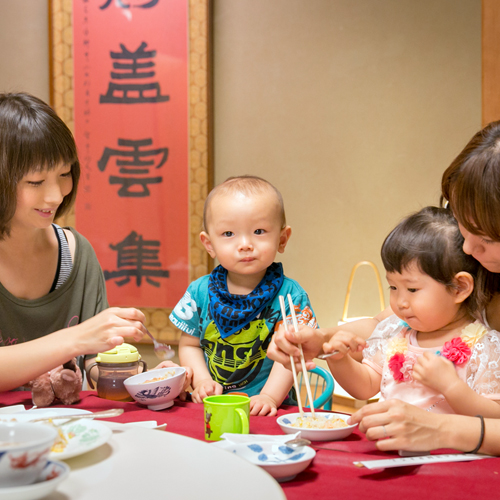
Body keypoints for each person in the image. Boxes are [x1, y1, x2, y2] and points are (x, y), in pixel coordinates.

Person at [0, 92, 146, 389]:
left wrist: (137, 377)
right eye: (35, 182)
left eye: (65, 174)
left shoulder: (76, 254)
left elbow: (93, 360)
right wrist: (75, 339)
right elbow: (80, 341)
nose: (55, 196)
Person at [322, 206, 500, 416]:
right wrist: (339, 360)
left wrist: (452, 387)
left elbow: (494, 416)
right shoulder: (397, 332)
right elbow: (366, 385)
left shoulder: (484, 347)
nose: (400, 302)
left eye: (412, 289)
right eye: (394, 288)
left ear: (459, 288)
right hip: (389, 443)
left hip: (445, 449)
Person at [169, 175, 317, 416]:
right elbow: (189, 344)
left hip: (269, 409)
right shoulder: (198, 291)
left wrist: (269, 396)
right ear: (209, 244)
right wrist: (202, 382)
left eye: (259, 231)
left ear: (282, 238)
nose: (245, 244)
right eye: (228, 234)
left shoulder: (291, 295)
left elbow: (292, 355)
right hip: (212, 407)